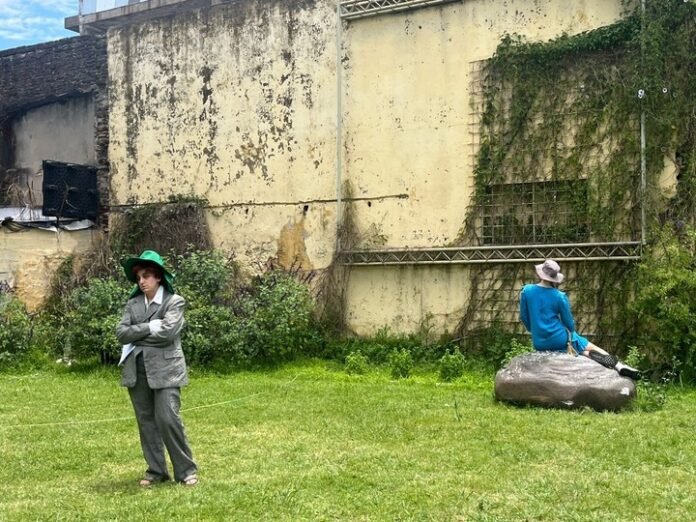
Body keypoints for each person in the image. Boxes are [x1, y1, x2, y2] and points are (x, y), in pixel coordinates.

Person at [115, 250, 199, 487]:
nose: (141, 281)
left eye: (146, 276)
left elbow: (168, 333)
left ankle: (186, 471)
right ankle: (156, 472)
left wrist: (138, 334)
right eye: (138, 277)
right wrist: (150, 326)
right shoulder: (133, 304)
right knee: (146, 422)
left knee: (168, 418)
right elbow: (121, 333)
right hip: (137, 370)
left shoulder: (174, 301)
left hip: (167, 370)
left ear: (158, 277)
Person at [519, 259, 640, 380]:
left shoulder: (527, 291)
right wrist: (571, 333)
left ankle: (590, 355)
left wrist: (536, 330)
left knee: (580, 351)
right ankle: (619, 366)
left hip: (539, 342)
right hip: (559, 338)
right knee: (585, 345)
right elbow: (569, 324)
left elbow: (524, 317)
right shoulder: (559, 296)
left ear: (540, 273)